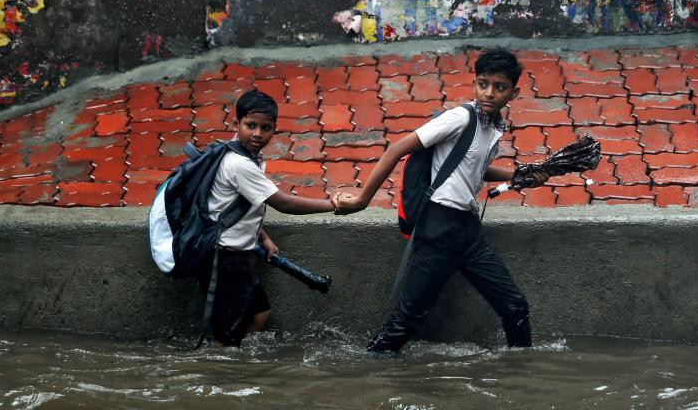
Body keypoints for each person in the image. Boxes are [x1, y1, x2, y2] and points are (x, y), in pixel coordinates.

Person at [337, 47, 550, 352]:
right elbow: (397, 148)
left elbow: (475, 168)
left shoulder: (493, 126)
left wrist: (521, 174)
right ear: (475, 83)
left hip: (468, 232)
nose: (489, 93)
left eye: (499, 87)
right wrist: (360, 200)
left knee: (515, 306)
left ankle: (520, 373)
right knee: (406, 322)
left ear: (513, 93)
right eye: (483, 84)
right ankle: (368, 372)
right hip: (437, 228)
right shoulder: (460, 118)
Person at [202, 89, 348, 347]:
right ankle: (216, 372)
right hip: (225, 258)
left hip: (243, 254)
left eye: (266, 128)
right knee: (226, 336)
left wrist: (264, 237)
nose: (258, 134)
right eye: (251, 126)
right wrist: (332, 205)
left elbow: (241, 205)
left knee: (261, 315)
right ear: (236, 124)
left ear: (274, 128)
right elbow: (284, 203)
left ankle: (235, 366)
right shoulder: (239, 164)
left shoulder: (250, 157)